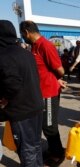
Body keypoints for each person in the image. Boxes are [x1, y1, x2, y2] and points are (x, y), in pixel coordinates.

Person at [19, 20, 67, 166]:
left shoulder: (45, 45)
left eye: (22, 34)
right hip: (40, 93)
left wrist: (56, 79)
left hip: (49, 93)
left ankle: (58, 154)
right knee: (44, 124)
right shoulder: (34, 46)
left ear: (26, 32)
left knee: (49, 126)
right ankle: (53, 149)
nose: (22, 37)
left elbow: (60, 70)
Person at [0, 20, 44, 167]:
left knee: (27, 150)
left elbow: (12, 84)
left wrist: (4, 99)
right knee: (35, 146)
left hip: (21, 111)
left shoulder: (4, 55)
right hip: (36, 106)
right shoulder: (26, 53)